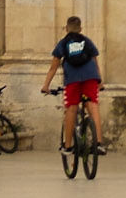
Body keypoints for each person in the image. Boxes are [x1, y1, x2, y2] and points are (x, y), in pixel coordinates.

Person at [40, 16, 104, 156]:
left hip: (73, 79)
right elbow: (95, 61)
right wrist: (100, 81)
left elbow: (53, 68)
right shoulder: (87, 41)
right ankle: (99, 143)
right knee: (93, 106)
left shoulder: (63, 43)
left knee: (71, 109)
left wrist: (46, 85)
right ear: (80, 29)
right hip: (91, 76)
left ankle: (68, 146)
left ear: (67, 28)